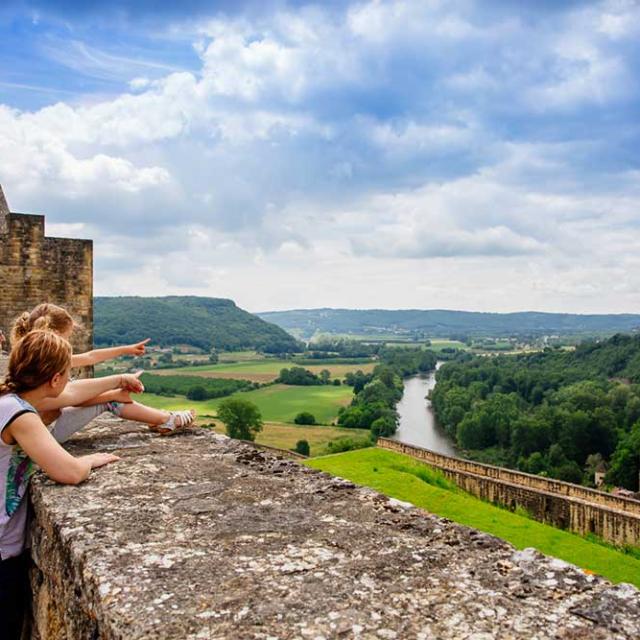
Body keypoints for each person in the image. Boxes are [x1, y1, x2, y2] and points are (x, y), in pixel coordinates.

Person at [0, 330, 146, 638]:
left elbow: (74, 394)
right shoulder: (21, 415)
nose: (70, 380)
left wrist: (118, 379)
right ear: (54, 379)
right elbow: (69, 472)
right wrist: (91, 460)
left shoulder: (10, 398)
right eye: (68, 373)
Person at [11, 304, 196, 437]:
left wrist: (126, 349)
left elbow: (89, 358)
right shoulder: (43, 369)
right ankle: (167, 419)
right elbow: (69, 398)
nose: (68, 343)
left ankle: (164, 418)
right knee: (107, 402)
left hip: (38, 429)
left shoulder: (29, 359)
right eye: (67, 338)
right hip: (40, 436)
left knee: (106, 397)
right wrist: (114, 391)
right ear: (55, 336)